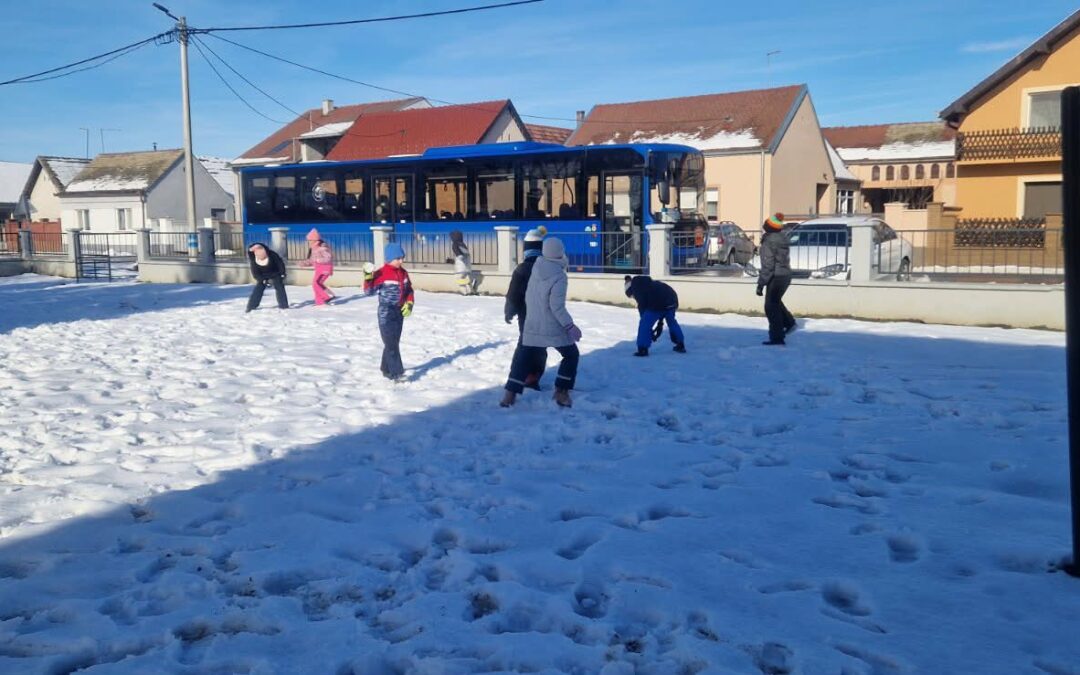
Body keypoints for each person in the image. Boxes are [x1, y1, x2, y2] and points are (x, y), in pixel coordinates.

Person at [501, 237, 581, 408]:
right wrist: (570, 326)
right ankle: (561, 392)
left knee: (522, 357)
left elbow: (528, 296)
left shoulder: (535, 269)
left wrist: (517, 312)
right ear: (560, 253)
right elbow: (556, 307)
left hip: (531, 324)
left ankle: (509, 395)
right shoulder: (559, 275)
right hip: (552, 326)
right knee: (571, 355)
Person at [502, 227, 548, 398]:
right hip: (544, 315)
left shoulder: (522, 269)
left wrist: (510, 311)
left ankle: (520, 378)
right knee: (540, 346)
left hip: (526, 314)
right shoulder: (547, 268)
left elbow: (513, 294)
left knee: (524, 346)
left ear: (526, 249)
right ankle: (534, 376)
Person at [364, 243, 414, 381]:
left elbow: (409, 290)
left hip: (399, 312)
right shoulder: (381, 273)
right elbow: (369, 292)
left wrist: (409, 303)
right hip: (386, 313)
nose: (401, 261)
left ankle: (385, 368)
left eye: (402, 258)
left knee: (393, 342)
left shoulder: (403, 273)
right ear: (390, 259)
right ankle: (397, 373)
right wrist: (368, 278)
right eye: (398, 258)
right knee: (391, 343)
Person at [756, 212, 796, 345]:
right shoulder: (782, 238)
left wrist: (761, 284)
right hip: (786, 275)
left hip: (776, 276)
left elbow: (768, 265)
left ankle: (777, 337)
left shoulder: (769, 241)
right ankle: (789, 322)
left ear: (769, 227)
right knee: (775, 301)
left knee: (771, 307)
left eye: (766, 224)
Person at [624, 274, 685, 356]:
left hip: (659, 303)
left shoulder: (637, 289)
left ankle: (643, 349)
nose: (634, 298)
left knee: (645, 324)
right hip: (672, 301)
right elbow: (660, 298)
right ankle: (680, 344)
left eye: (632, 296)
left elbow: (643, 312)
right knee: (672, 322)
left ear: (630, 290)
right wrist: (659, 322)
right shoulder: (649, 283)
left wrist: (650, 331)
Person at [245, 242, 289, 312]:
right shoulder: (254, 261)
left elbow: (280, 264)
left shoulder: (272, 255)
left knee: (279, 287)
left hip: (275, 273)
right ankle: (251, 306)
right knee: (258, 288)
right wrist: (262, 280)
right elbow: (256, 274)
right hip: (263, 276)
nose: (262, 257)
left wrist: (282, 273)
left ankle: (284, 305)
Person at [297, 228, 335, 306]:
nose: (309, 242)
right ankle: (319, 302)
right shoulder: (314, 249)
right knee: (317, 284)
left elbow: (328, 258)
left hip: (325, 269)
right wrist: (304, 263)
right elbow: (312, 260)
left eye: (310, 240)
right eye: (308, 240)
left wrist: (318, 260)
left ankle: (326, 297)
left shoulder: (322, 248)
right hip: (319, 269)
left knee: (316, 284)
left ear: (315, 240)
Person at [450, 230, 478, 295]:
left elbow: (460, 256)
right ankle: (469, 291)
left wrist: (453, 260)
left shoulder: (455, 244)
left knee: (458, 279)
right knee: (464, 278)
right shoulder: (463, 244)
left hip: (461, 267)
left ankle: (469, 285)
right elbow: (466, 254)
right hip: (467, 266)